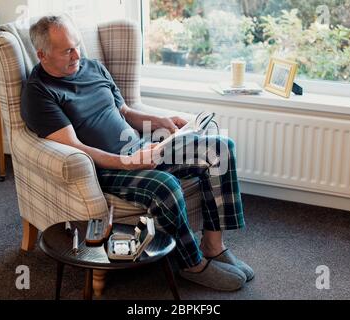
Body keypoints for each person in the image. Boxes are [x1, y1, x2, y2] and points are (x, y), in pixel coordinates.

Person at [21, 16, 254, 291]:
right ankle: (192, 264)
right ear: (42, 54)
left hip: (139, 148)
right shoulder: (39, 93)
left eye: (77, 46)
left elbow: (124, 111)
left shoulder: (93, 67)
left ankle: (213, 246)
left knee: (219, 149)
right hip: (105, 168)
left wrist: (162, 122)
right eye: (67, 51)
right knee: (164, 186)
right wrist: (127, 163)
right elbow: (76, 148)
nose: (77, 55)